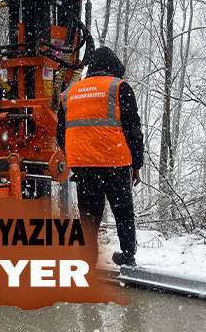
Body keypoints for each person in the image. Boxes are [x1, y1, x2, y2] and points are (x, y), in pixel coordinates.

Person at [57, 46, 144, 267]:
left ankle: (88, 261)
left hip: (84, 167)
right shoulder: (119, 87)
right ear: (113, 66)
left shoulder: (69, 93)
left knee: (88, 218)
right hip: (115, 164)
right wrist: (136, 164)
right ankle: (127, 256)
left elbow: (61, 134)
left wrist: (76, 157)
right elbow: (133, 130)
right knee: (123, 212)